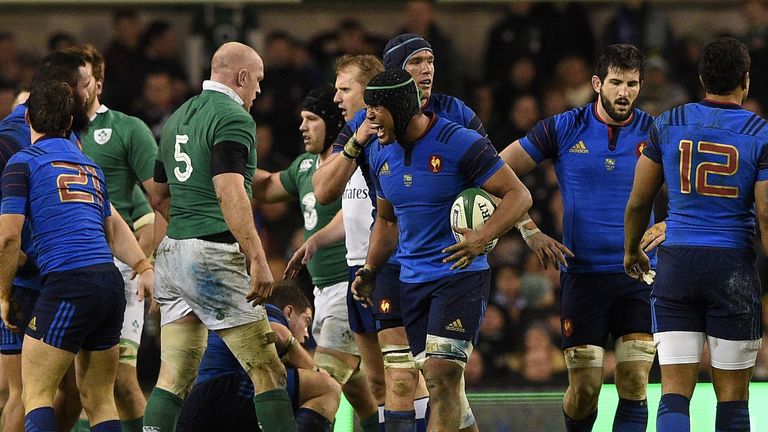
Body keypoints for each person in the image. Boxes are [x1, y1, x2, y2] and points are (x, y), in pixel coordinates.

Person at [313, 35, 487, 431]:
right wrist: (358, 141)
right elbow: (323, 191)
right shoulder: (366, 123)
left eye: (430, 61)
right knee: (400, 376)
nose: (426, 70)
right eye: (415, 63)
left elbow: (498, 179)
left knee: (443, 381)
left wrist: (508, 229)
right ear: (394, 74)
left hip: (447, 262)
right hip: (389, 257)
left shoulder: (455, 115)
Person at [352, 69, 532, 431]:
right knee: (446, 392)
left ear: (402, 107)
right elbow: (387, 221)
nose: (368, 118)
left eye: (376, 109)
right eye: (367, 109)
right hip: (412, 281)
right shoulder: (376, 153)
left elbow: (518, 195)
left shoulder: (459, 142)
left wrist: (483, 237)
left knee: (440, 376)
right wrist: (370, 269)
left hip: (460, 276)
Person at [499, 44, 658, 432]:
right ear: (596, 83)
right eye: (617, 82)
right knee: (585, 389)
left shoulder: (655, 132)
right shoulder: (563, 127)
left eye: (633, 84)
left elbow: (693, 188)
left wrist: (671, 225)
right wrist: (529, 230)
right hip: (583, 276)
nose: (625, 93)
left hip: (638, 275)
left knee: (635, 381)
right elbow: (496, 172)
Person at [144, 42, 297, 432]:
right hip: (212, 255)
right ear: (242, 77)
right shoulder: (233, 117)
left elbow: (158, 195)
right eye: (258, 81)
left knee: (174, 376)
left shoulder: (177, 118)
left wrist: (173, 248)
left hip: (172, 254)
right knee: (268, 371)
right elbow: (229, 191)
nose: (259, 91)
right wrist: (258, 258)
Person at [624, 36, 767, 432]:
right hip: (732, 269)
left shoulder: (667, 124)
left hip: (677, 264)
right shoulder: (761, 132)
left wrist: (632, 250)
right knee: (734, 400)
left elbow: (638, 202)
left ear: (702, 77)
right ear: (746, 81)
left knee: (673, 393)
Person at [0, 80, 153, 432]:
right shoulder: (90, 166)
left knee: (35, 393)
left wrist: (4, 294)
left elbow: (8, 238)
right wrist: (143, 264)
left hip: (69, 284)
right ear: (70, 124)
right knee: (99, 400)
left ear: (27, 120)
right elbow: (113, 228)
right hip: (110, 285)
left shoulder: (22, 163)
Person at [252, 84, 381, 432]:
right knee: (361, 391)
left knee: (320, 379)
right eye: (301, 119)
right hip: (322, 293)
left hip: (350, 285)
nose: (302, 127)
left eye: (311, 119)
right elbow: (266, 187)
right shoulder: (306, 166)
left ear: (330, 121)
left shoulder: (356, 162)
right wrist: (227, 171)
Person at [64, 44, 162, 432]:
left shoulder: (126, 129)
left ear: (98, 83)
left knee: (120, 380)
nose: (73, 86)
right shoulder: (54, 132)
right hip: (68, 269)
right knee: (76, 385)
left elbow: (157, 202)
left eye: (81, 78)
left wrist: (148, 262)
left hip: (120, 269)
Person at [0, 50, 97, 432]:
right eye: (86, 84)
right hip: (23, 282)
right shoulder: (9, 139)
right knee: (24, 393)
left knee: (71, 393)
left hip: (60, 279)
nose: (91, 91)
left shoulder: (68, 137)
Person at [176, 282, 340, 432]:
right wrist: (315, 369)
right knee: (327, 387)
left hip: (200, 404)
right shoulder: (267, 311)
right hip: (227, 388)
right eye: (306, 321)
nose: (306, 335)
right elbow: (276, 334)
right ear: (289, 312)